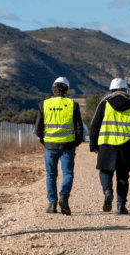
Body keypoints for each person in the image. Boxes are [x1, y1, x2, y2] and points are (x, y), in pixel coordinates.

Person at [89, 78, 130, 214]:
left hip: (107, 143)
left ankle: (108, 191)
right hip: (127, 145)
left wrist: (93, 144)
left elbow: (95, 125)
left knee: (105, 171)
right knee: (123, 176)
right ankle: (121, 206)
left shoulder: (104, 104)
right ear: (125, 90)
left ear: (112, 90)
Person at [33, 77, 85, 215]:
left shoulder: (44, 104)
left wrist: (44, 141)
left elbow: (38, 129)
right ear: (67, 90)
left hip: (50, 146)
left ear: (53, 90)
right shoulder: (73, 105)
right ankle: (64, 197)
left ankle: (52, 205)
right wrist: (75, 143)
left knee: (51, 175)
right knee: (68, 173)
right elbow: (79, 129)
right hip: (68, 146)